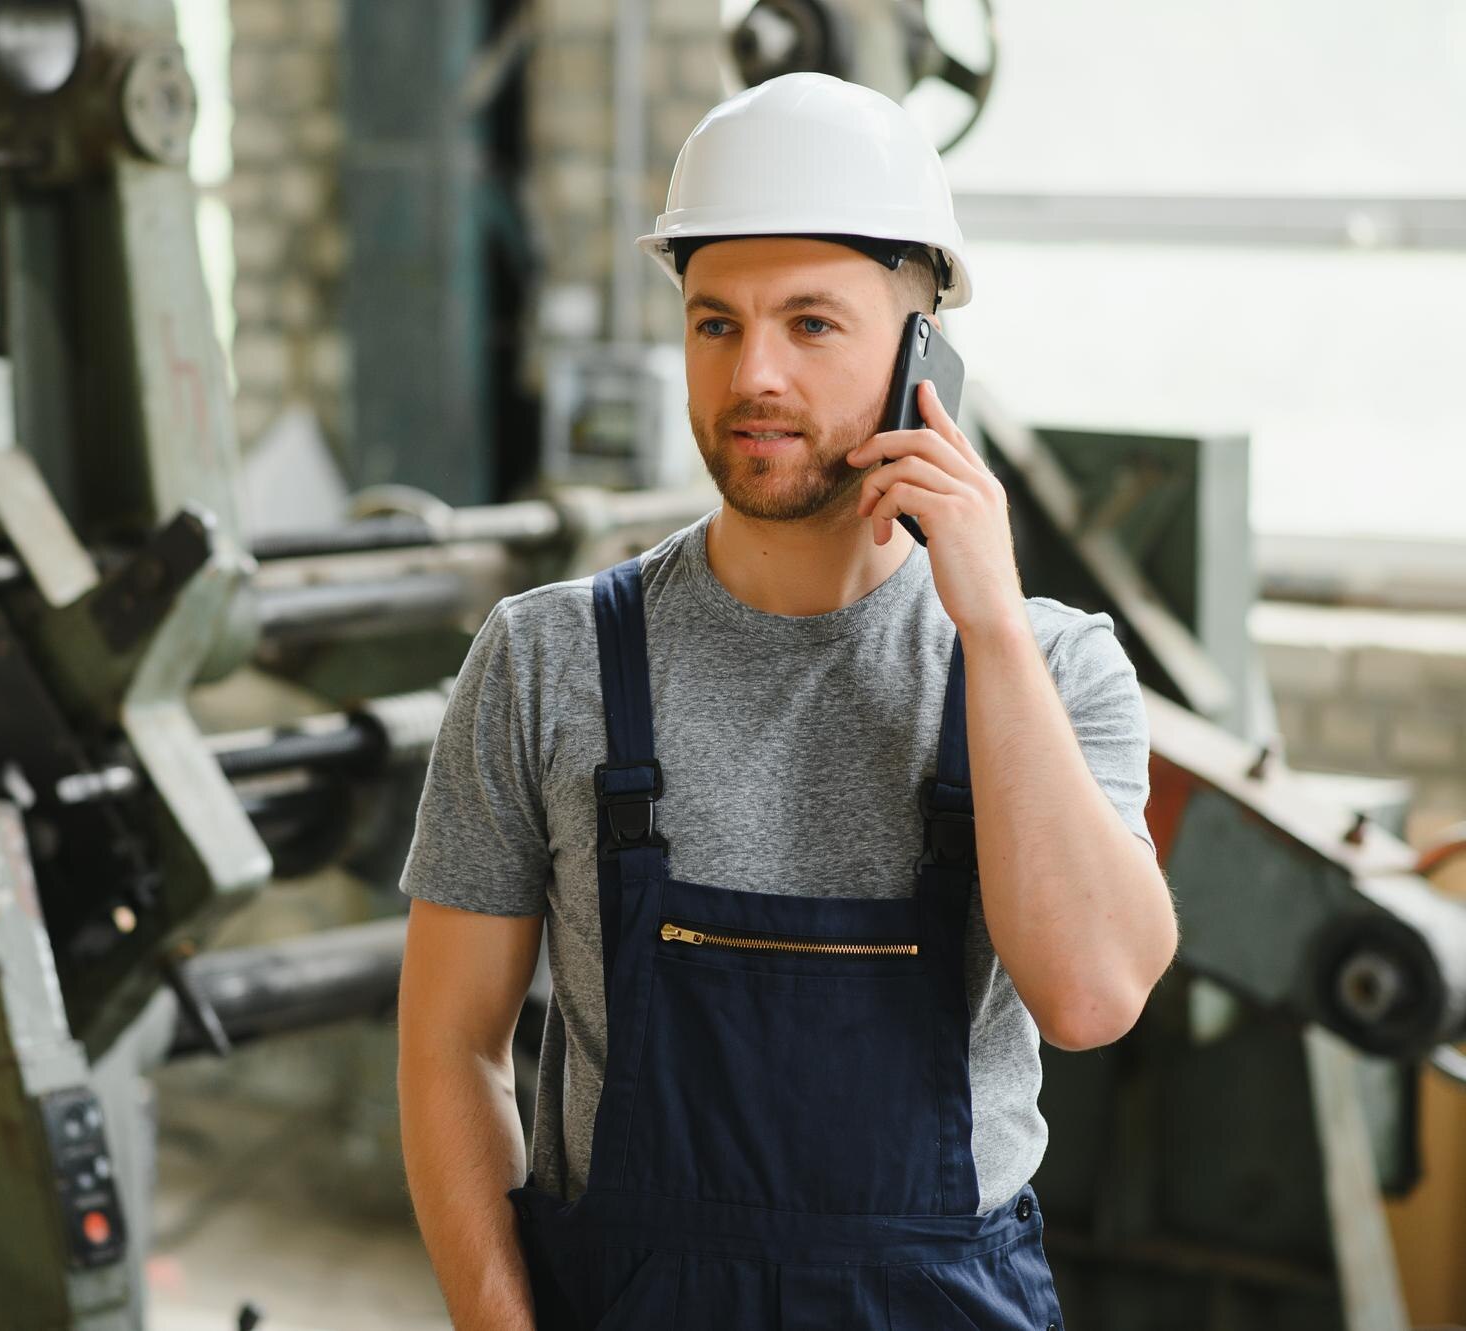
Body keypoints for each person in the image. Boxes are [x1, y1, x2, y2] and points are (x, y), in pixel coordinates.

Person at [396, 72, 1177, 1330]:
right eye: (715, 323)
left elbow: (1089, 995)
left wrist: (983, 620)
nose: (752, 372)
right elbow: (449, 1051)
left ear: (924, 351)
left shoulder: (1051, 662)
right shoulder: (543, 658)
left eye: (812, 324)